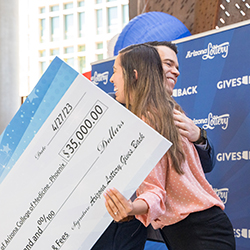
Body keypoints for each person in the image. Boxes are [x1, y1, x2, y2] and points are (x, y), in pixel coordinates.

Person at [104, 43, 235, 250]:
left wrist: (130, 208)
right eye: (166, 64)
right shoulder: (160, 113)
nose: (111, 79)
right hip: (191, 231)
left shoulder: (156, 119)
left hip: (197, 232)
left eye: (115, 72)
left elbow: (155, 192)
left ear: (134, 74)